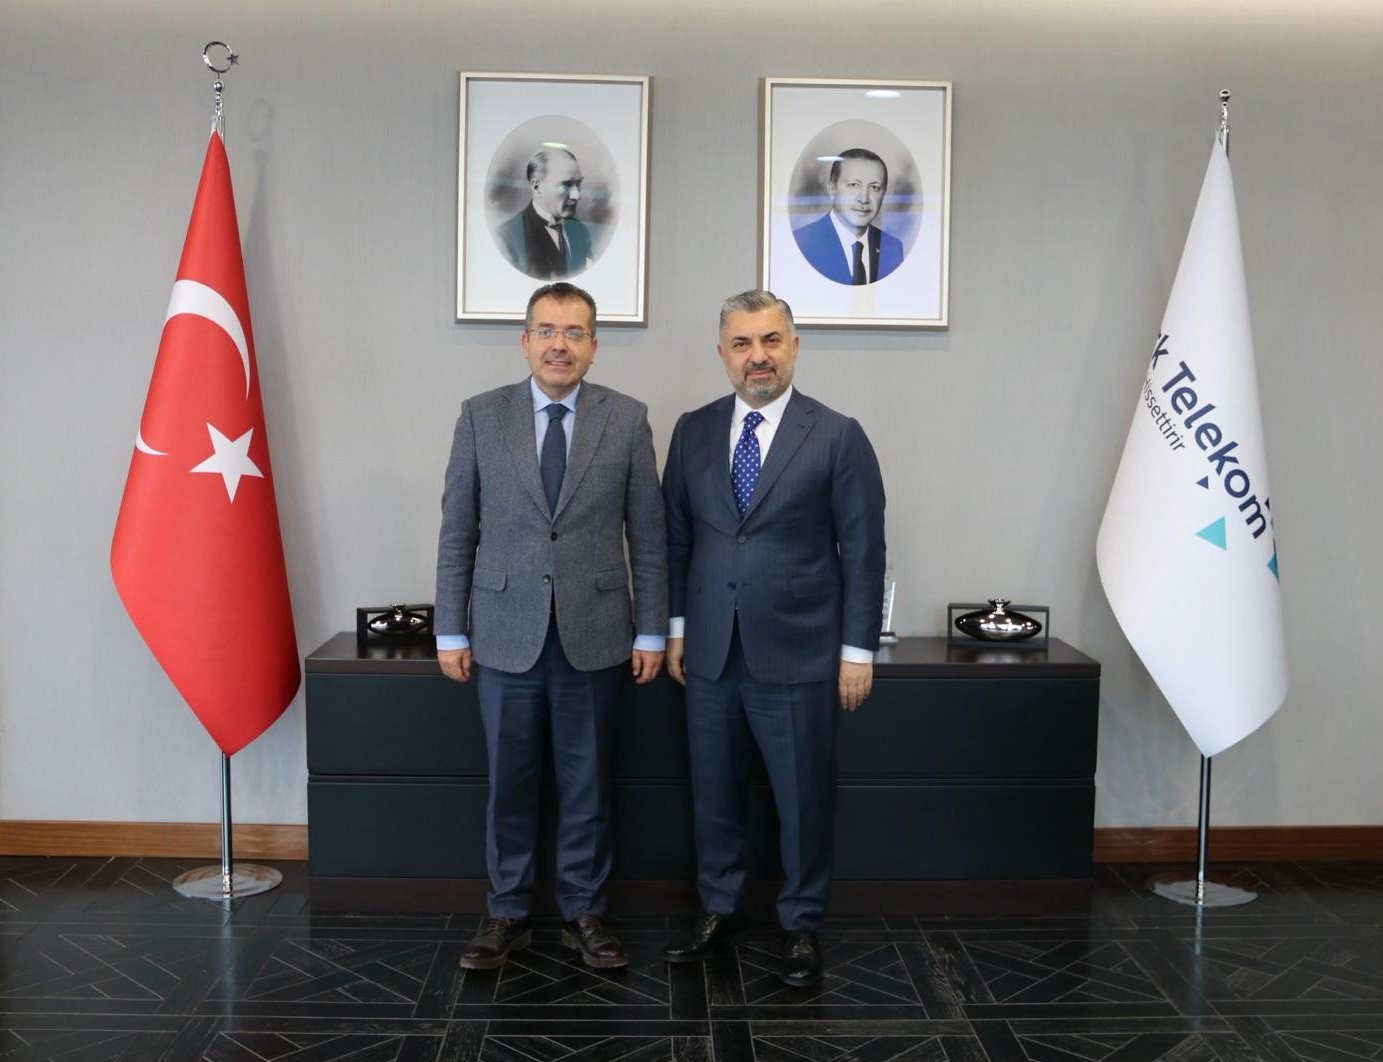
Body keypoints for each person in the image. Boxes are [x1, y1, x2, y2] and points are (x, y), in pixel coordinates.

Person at [435, 281, 667, 970]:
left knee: (586, 785)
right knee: (510, 782)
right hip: (503, 634)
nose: (558, 345)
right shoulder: (480, 417)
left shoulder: (627, 419)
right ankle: (506, 910)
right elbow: (458, 531)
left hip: (596, 634)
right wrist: (450, 628)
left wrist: (651, 629)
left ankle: (584, 911)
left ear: (594, 345)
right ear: (525, 341)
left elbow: (648, 537)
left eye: (573, 332)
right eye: (546, 331)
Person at [661, 289, 886, 987]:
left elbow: (864, 550)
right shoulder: (692, 431)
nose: (756, 356)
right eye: (741, 344)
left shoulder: (837, 435)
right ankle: (720, 908)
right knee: (714, 793)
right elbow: (675, 540)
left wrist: (857, 652)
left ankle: (800, 923)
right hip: (709, 653)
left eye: (769, 341)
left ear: (793, 347)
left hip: (801, 653)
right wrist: (676, 627)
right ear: (722, 354)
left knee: (802, 797)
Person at [792, 148, 905, 285]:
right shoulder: (803, 243)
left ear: (884, 194)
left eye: (874, 187)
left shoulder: (893, 247)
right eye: (853, 185)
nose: (863, 199)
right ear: (832, 189)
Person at [495, 149, 595, 280]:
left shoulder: (580, 230)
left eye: (578, 184)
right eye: (566, 184)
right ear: (537, 187)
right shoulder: (507, 237)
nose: (576, 195)